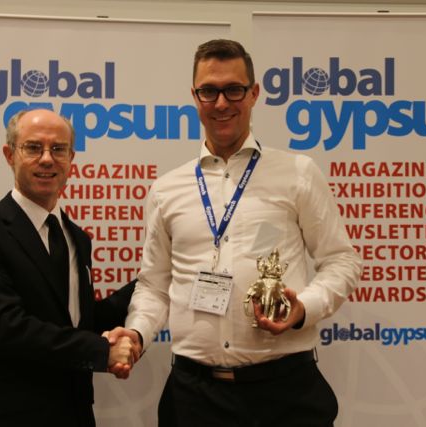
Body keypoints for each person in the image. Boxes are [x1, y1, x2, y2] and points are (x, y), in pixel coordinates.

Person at [118, 39, 363, 426]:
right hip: (194, 398)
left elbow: (341, 261)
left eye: (233, 89)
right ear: (194, 96)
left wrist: (304, 308)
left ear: (254, 93)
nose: (221, 103)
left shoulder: (297, 173)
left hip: (286, 394)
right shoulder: (167, 189)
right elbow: (154, 285)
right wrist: (136, 334)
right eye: (209, 91)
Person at [0, 108, 139, 427]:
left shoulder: (77, 238)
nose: (47, 159)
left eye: (58, 149)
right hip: (6, 417)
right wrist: (101, 350)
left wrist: (155, 278)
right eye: (34, 147)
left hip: (75, 414)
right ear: (10, 155)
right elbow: (3, 328)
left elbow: (77, 322)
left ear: (71, 158)